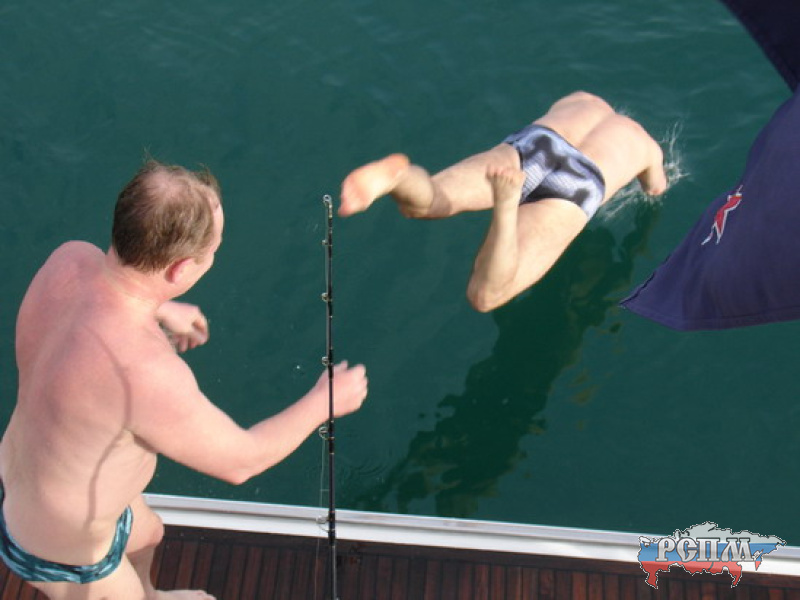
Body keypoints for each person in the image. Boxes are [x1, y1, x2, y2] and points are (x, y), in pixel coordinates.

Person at [0, 161, 369, 599]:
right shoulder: (144, 371)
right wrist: (324, 401)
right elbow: (241, 461)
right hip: (64, 552)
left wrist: (157, 307)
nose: (212, 259)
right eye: (212, 252)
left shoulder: (71, 258)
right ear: (180, 269)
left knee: (149, 534)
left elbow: (97, 307)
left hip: (41, 484)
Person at [340, 91, 668, 312]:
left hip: (538, 145)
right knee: (485, 296)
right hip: (581, 184)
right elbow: (655, 189)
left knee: (428, 201)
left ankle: (398, 178)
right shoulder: (646, 145)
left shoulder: (582, 99)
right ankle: (507, 205)